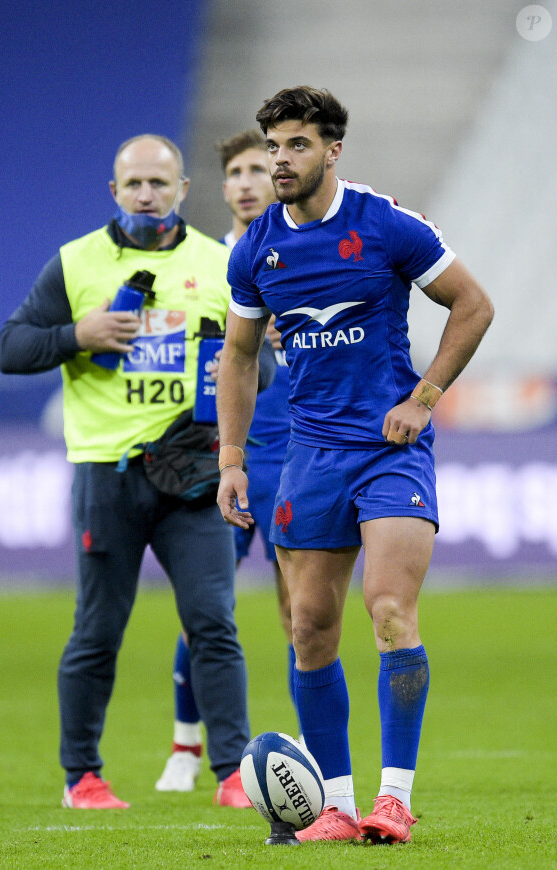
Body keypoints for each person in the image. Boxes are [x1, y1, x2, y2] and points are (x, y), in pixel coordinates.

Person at [216, 87, 494, 844]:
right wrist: (232, 457)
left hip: (389, 450)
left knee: (389, 609)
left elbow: (472, 304)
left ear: (332, 150)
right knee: (308, 626)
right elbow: (238, 357)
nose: (280, 160)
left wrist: (426, 396)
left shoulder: (384, 223)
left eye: (296, 145)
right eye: (273, 146)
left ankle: (394, 799)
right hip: (309, 455)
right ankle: (336, 806)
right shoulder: (255, 248)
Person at [0, 134, 276, 810]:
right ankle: (82, 777)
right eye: (134, 184)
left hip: (192, 475)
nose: (146, 194)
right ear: (114, 193)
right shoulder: (75, 263)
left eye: (160, 182)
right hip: (107, 475)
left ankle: (233, 773)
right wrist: (76, 336)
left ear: (183, 190)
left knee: (213, 621)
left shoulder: (221, 262)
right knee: (97, 629)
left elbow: (258, 370)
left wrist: (239, 367)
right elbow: (10, 348)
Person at [156, 130, 297, 794]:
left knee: (301, 608)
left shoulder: (305, 251)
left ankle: (305, 739)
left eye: (256, 170)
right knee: (208, 607)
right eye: (234, 172)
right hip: (230, 453)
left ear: (278, 178)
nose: (244, 182)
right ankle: (187, 746)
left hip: (299, 451)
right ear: (223, 186)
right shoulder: (208, 265)